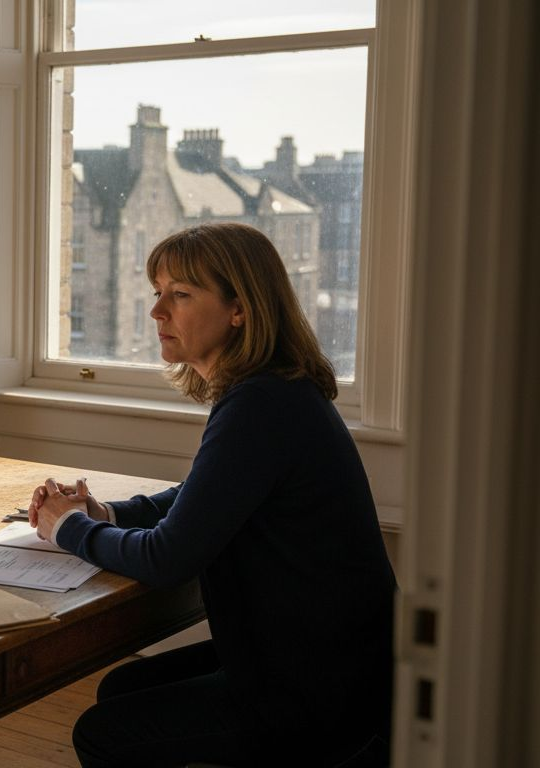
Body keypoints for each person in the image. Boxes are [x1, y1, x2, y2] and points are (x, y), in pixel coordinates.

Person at [28, 222, 396, 767]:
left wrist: (69, 527)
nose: (157, 312)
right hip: (327, 665)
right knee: (122, 689)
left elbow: (167, 558)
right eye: (158, 292)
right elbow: (200, 495)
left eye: (179, 295)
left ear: (239, 310)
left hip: (318, 692)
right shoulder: (274, 392)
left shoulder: (260, 406)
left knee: (103, 732)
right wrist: (106, 512)